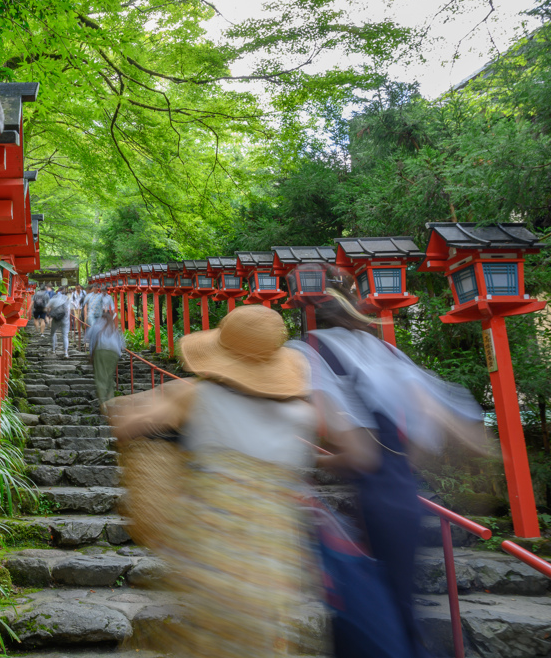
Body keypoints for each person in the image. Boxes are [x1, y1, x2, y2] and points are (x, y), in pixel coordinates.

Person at [290, 267, 487, 658]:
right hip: (405, 496)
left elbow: (361, 455)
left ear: (314, 303)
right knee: (401, 609)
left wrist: (312, 459)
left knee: (374, 616)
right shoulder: (386, 351)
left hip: (375, 502)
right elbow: (431, 427)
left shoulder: (315, 350)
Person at [112, 305, 323, 657]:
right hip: (275, 548)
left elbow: (126, 424)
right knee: (261, 638)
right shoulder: (301, 414)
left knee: (210, 638)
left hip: (213, 540)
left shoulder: (199, 395)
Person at [86, 293, 122, 413]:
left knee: (101, 378)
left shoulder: (97, 325)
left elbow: (89, 338)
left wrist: (91, 354)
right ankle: (110, 401)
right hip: (114, 354)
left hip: (101, 351)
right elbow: (121, 344)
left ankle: (104, 405)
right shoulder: (114, 328)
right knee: (109, 377)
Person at [47, 288, 70, 357]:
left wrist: (49, 314)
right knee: (65, 336)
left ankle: (53, 349)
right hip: (65, 320)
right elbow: (69, 310)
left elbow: (47, 308)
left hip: (56, 319)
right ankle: (65, 352)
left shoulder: (53, 300)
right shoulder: (67, 300)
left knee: (53, 333)